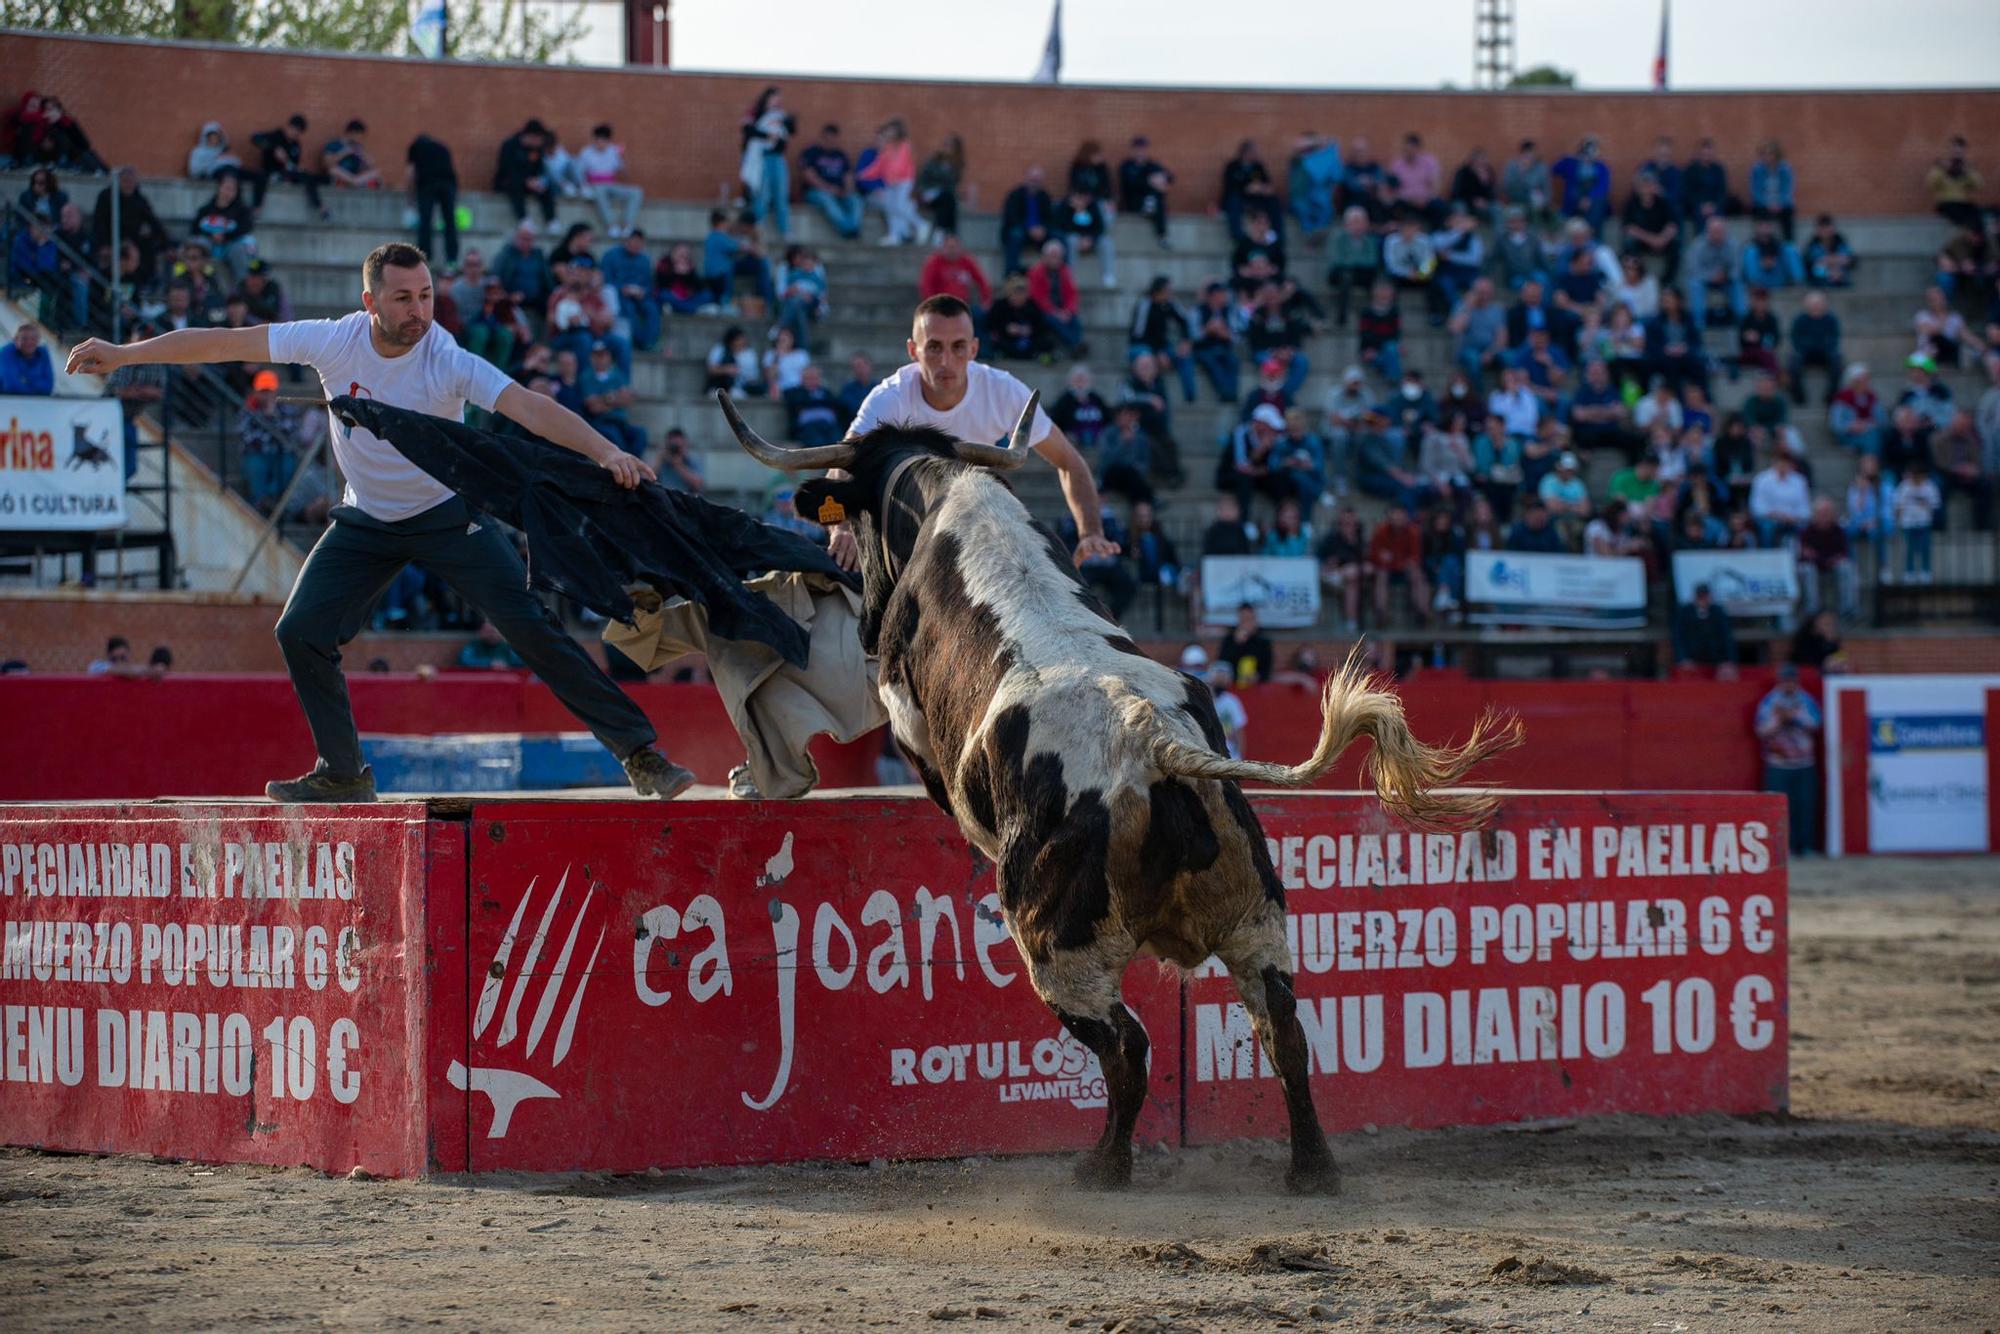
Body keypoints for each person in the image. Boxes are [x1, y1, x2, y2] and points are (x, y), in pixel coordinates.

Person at [64, 241, 695, 803]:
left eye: (426, 296)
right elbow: (224, 343)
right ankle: (343, 772)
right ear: (370, 301)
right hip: (366, 519)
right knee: (300, 630)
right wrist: (123, 355)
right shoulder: (331, 340)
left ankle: (640, 755)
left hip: (447, 515)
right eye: (403, 299)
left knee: (534, 629)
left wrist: (604, 450)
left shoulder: (445, 356)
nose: (419, 311)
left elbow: (528, 405)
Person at [829, 294, 1118, 572]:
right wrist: (841, 527)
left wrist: (1091, 532)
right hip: (904, 526)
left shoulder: (1002, 390)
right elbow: (843, 463)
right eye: (934, 347)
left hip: (972, 522)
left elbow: (1068, 461)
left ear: (974, 349)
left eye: (957, 347)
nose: (946, 361)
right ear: (913, 351)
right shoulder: (891, 396)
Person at [1754, 664, 1821, 856]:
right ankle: (1785, 848)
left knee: (1805, 806)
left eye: (1792, 680)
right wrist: (1780, 720)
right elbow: (1761, 730)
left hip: (1803, 763)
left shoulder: (1806, 700)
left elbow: (1815, 724)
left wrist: (1794, 717)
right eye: (1786, 680)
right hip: (1778, 763)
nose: (1789, 684)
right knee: (1780, 809)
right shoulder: (1769, 702)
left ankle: (1806, 846)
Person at [740, 88, 796, 238]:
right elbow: (747, 130)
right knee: (762, 194)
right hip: (761, 157)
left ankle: (785, 229)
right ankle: (758, 228)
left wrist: (787, 120)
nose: (777, 101)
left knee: (781, 193)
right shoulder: (756, 113)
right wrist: (766, 135)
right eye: (774, 98)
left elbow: (790, 130)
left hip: (777, 158)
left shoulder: (780, 115)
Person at [578, 123, 643, 239]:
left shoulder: (613, 151)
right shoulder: (586, 152)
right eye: (598, 140)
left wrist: (623, 157)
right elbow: (580, 174)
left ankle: (627, 225)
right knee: (599, 190)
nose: (600, 143)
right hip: (595, 185)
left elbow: (625, 175)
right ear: (594, 139)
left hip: (611, 184)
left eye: (603, 140)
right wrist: (584, 187)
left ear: (608, 141)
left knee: (637, 192)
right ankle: (611, 226)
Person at [404, 131, 459, 267]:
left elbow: (411, 173)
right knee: (450, 221)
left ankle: (425, 255)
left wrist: (410, 197)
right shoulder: (443, 147)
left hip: (427, 183)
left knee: (425, 220)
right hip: (448, 184)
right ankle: (452, 258)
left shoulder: (416, 147)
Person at [800, 123, 864, 239]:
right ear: (822, 137)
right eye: (827, 138)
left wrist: (847, 190)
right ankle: (848, 229)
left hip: (839, 191)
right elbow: (809, 176)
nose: (830, 141)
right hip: (816, 191)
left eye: (833, 138)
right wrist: (829, 189)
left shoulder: (840, 155)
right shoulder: (812, 152)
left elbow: (848, 176)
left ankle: (853, 228)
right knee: (827, 199)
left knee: (855, 200)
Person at [1798, 497, 1859, 618]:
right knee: (1807, 569)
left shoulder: (1838, 531)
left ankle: (1848, 609)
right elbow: (1805, 554)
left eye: (1828, 512)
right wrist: (1822, 559)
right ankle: (1812, 610)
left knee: (1847, 567)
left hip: (1833, 565)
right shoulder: (1806, 531)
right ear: (1815, 514)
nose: (1825, 516)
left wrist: (1832, 559)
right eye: (1822, 513)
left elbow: (1843, 552)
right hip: (1813, 566)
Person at [493, 119, 557, 231]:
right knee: (514, 185)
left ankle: (551, 220)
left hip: (530, 183)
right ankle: (523, 219)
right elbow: (507, 169)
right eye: (538, 139)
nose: (539, 142)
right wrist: (525, 181)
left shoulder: (537, 150)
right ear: (530, 136)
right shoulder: (510, 146)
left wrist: (537, 181)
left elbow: (540, 168)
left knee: (546, 187)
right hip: (509, 182)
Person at [1117, 136, 1174, 247]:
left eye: (1142, 148)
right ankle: (1160, 231)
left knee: (1156, 197)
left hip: (1153, 201)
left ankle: (1162, 236)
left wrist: (1162, 181)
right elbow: (1130, 184)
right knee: (1154, 196)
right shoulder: (1127, 166)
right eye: (1138, 148)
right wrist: (1150, 182)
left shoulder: (1151, 165)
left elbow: (1170, 177)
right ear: (1133, 150)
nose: (1140, 151)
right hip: (1134, 201)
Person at [1671, 583, 1736, 675]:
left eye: (1705, 596)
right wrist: (1683, 659)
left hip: (1715, 660)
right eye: (1700, 597)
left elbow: (1726, 637)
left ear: (1710, 597)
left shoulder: (1718, 612)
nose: (1702, 600)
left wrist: (1728, 661)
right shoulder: (1684, 612)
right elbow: (1678, 638)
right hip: (1692, 659)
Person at [919, 232, 992, 312]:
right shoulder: (933, 262)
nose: (952, 251)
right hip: (940, 306)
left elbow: (981, 280)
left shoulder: (967, 261)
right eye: (949, 247)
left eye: (954, 247)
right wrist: (932, 305)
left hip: (963, 305)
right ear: (943, 248)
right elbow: (926, 286)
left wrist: (986, 300)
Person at [1216, 603, 1274, 686]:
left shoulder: (1263, 642)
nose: (1247, 624)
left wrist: (1258, 676)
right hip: (1233, 686)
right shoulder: (1229, 640)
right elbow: (1222, 663)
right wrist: (1237, 644)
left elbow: (1267, 669)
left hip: (1256, 687)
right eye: (1244, 620)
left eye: (1249, 619)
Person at [1204, 662, 1249, 759]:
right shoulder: (1202, 700)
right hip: (1207, 754)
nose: (1220, 682)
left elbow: (1239, 731)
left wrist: (1241, 758)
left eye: (1223, 680)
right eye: (1218, 680)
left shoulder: (1232, 701)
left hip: (1230, 755)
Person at [0, 322, 54, 396]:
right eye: (24, 339)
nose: (29, 342)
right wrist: (35, 383)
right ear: (15, 340)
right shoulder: (6, 352)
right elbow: (11, 386)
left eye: (33, 339)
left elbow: (48, 387)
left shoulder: (43, 353)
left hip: (34, 403)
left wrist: (25, 381)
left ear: (38, 340)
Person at [456, 620, 526, 671]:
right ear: (480, 632)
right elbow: (464, 662)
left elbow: (521, 663)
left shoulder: (506, 647)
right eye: (488, 631)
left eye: (495, 632)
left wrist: (506, 664)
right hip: (479, 684)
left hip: (504, 684)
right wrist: (489, 664)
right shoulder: (473, 646)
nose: (492, 635)